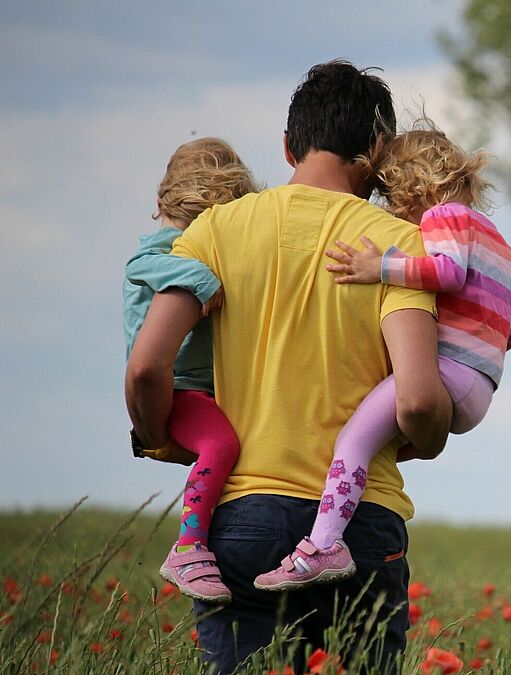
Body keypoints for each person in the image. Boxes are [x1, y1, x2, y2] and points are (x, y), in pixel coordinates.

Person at [125, 60, 452, 674]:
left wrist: (157, 434)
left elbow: (146, 368)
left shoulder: (213, 232)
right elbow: (419, 402)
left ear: (287, 146)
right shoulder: (398, 245)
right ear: (377, 150)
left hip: (242, 516)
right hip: (361, 524)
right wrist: (425, 442)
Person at [254, 123, 511, 591]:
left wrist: (378, 267)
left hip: (447, 372)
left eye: (391, 195)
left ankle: (323, 545)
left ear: (414, 186)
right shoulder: (504, 247)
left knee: (353, 441)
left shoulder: (444, 217)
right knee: (377, 441)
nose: (392, 209)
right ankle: (338, 522)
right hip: (481, 386)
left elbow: (446, 271)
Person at [124, 137, 258, 604]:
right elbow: (143, 264)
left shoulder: (186, 243)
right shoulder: (165, 249)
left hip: (202, 389)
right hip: (179, 388)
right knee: (221, 444)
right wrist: (202, 279)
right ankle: (189, 547)